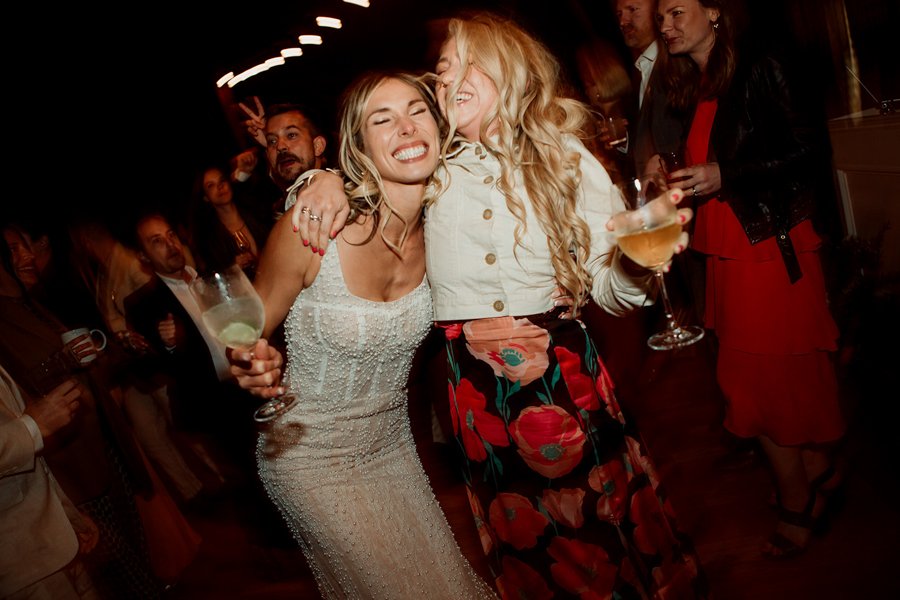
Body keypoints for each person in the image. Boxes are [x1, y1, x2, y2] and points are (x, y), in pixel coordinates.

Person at [290, 13, 706, 598]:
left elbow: (610, 289)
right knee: (528, 541)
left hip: (560, 379)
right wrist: (324, 177)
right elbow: (377, 169)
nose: (449, 79)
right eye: (442, 71)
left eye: (468, 64)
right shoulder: (434, 170)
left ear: (509, 71)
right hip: (474, 394)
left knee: (601, 525)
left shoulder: (567, 161)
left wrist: (636, 261)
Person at [231, 71, 496, 599]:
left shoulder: (450, 225)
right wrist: (249, 361)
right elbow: (244, 330)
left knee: (446, 584)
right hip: (307, 454)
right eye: (383, 118)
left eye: (417, 111)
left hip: (391, 443)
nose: (405, 127)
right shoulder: (313, 229)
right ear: (359, 145)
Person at [655, 0, 846, 559]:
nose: (665, 25)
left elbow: (810, 149)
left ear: (714, 11)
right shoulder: (703, 80)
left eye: (675, 11)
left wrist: (725, 174)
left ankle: (799, 496)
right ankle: (816, 467)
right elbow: (712, 156)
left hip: (770, 250)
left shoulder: (762, 61)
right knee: (754, 379)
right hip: (731, 249)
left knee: (765, 383)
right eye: (661, 16)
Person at [1, 363, 101, 599]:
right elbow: (29, 430)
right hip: (21, 562)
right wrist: (33, 427)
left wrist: (67, 515)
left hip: (49, 541)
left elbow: (30, 460)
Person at [238, 100, 329, 225]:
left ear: (318, 146)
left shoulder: (344, 190)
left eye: (291, 135)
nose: (280, 146)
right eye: (272, 141)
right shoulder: (278, 208)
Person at [186, 163, 270, 279]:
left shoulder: (254, 211)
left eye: (222, 180)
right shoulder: (209, 240)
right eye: (211, 185)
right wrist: (232, 269)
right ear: (205, 197)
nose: (220, 186)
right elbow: (212, 279)